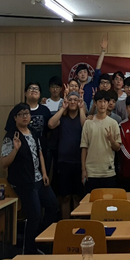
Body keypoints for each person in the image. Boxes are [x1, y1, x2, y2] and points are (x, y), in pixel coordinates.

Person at [1, 103, 58, 254]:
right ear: (15, 118)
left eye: (27, 113)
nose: (25, 117)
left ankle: (41, 239)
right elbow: (4, 163)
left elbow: (40, 153)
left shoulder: (33, 132)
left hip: (39, 179)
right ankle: (30, 249)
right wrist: (15, 149)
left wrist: (44, 173)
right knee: (35, 215)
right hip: (24, 182)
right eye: (21, 114)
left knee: (53, 206)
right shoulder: (11, 136)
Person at [47, 91, 86, 219]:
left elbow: (85, 127)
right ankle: (66, 225)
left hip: (79, 162)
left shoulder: (81, 117)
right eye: (70, 99)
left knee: (77, 197)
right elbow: (51, 124)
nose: (73, 102)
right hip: (63, 162)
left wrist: (81, 108)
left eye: (76, 99)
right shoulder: (62, 119)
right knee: (65, 197)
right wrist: (63, 108)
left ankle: (76, 225)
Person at [80, 90, 122, 192]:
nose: (102, 104)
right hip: (91, 172)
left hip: (108, 172)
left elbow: (118, 148)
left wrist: (111, 140)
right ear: (95, 103)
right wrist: (83, 170)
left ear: (108, 104)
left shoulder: (113, 123)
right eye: (99, 101)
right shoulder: (88, 123)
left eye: (105, 101)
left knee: (109, 201)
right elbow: (84, 148)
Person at [76, 35, 108, 108]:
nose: (83, 74)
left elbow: (98, 67)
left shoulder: (93, 83)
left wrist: (103, 50)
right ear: (77, 76)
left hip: (93, 112)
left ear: (88, 74)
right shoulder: (75, 86)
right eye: (80, 72)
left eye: (85, 72)